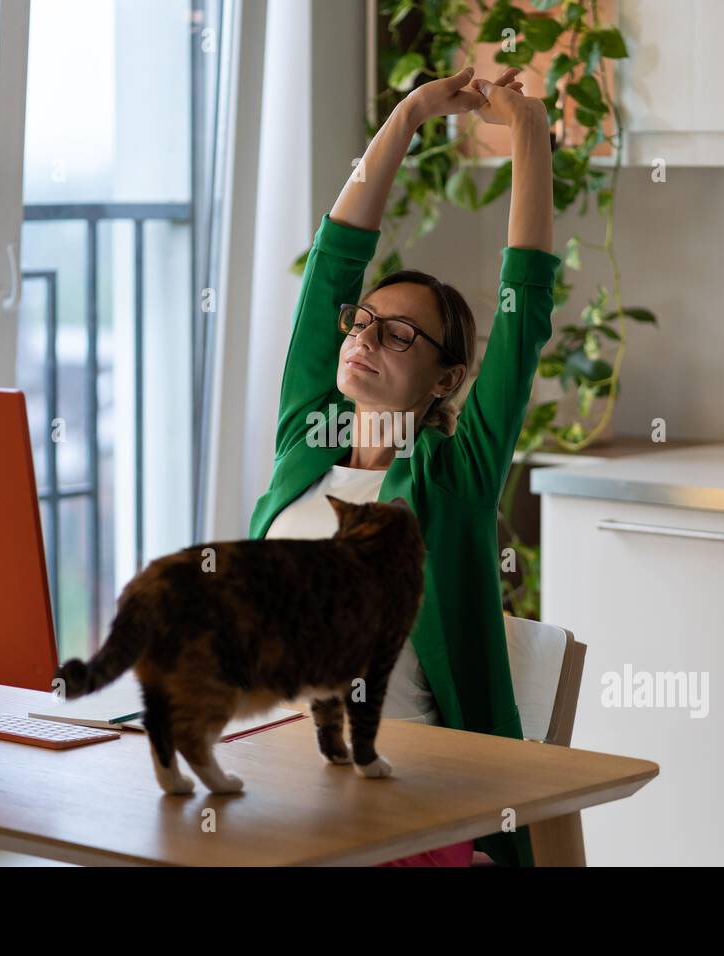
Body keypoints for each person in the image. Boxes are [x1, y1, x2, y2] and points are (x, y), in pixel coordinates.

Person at [249, 65, 560, 866]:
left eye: (400, 336)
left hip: (406, 805)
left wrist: (529, 135)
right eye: (365, 322)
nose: (364, 337)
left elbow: (524, 307)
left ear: (446, 380)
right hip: (281, 782)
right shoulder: (304, 446)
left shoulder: (450, 481)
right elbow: (333, 264)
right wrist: (412, 112)